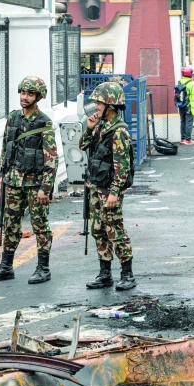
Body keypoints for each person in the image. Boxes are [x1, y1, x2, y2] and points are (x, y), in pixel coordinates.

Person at [0, 76, 58, 285]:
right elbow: (6, 146)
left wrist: (46, 187)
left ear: (38, 96)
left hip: (35, 184)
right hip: (13, 181)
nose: (24, 97)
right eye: (23, 93)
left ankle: (43, 268)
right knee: (10, 225)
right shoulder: (13, 118)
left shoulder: (44, 122)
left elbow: (51, 157)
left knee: (40, 225)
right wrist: (2, 174)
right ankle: (6, 267)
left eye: (30, 94)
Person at [79, 82, 137, 291]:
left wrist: (115, 193)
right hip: (96, 187)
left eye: (99, 103)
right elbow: (83, 145)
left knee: (115, 230)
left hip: (108, 190)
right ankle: (105, 274)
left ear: (110, 106)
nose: (96, 107)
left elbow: (122, 166)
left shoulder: (119, 131)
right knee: (98, 229)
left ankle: (127, 274)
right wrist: (89, 128)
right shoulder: (101, 126)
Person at [175, 66, 194, 145]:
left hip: (181, 104)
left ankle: (182, 139)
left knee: (182, 121)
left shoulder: (179, 82)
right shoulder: (192, 83)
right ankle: (188, 140)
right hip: (188, 105)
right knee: (189, 122)